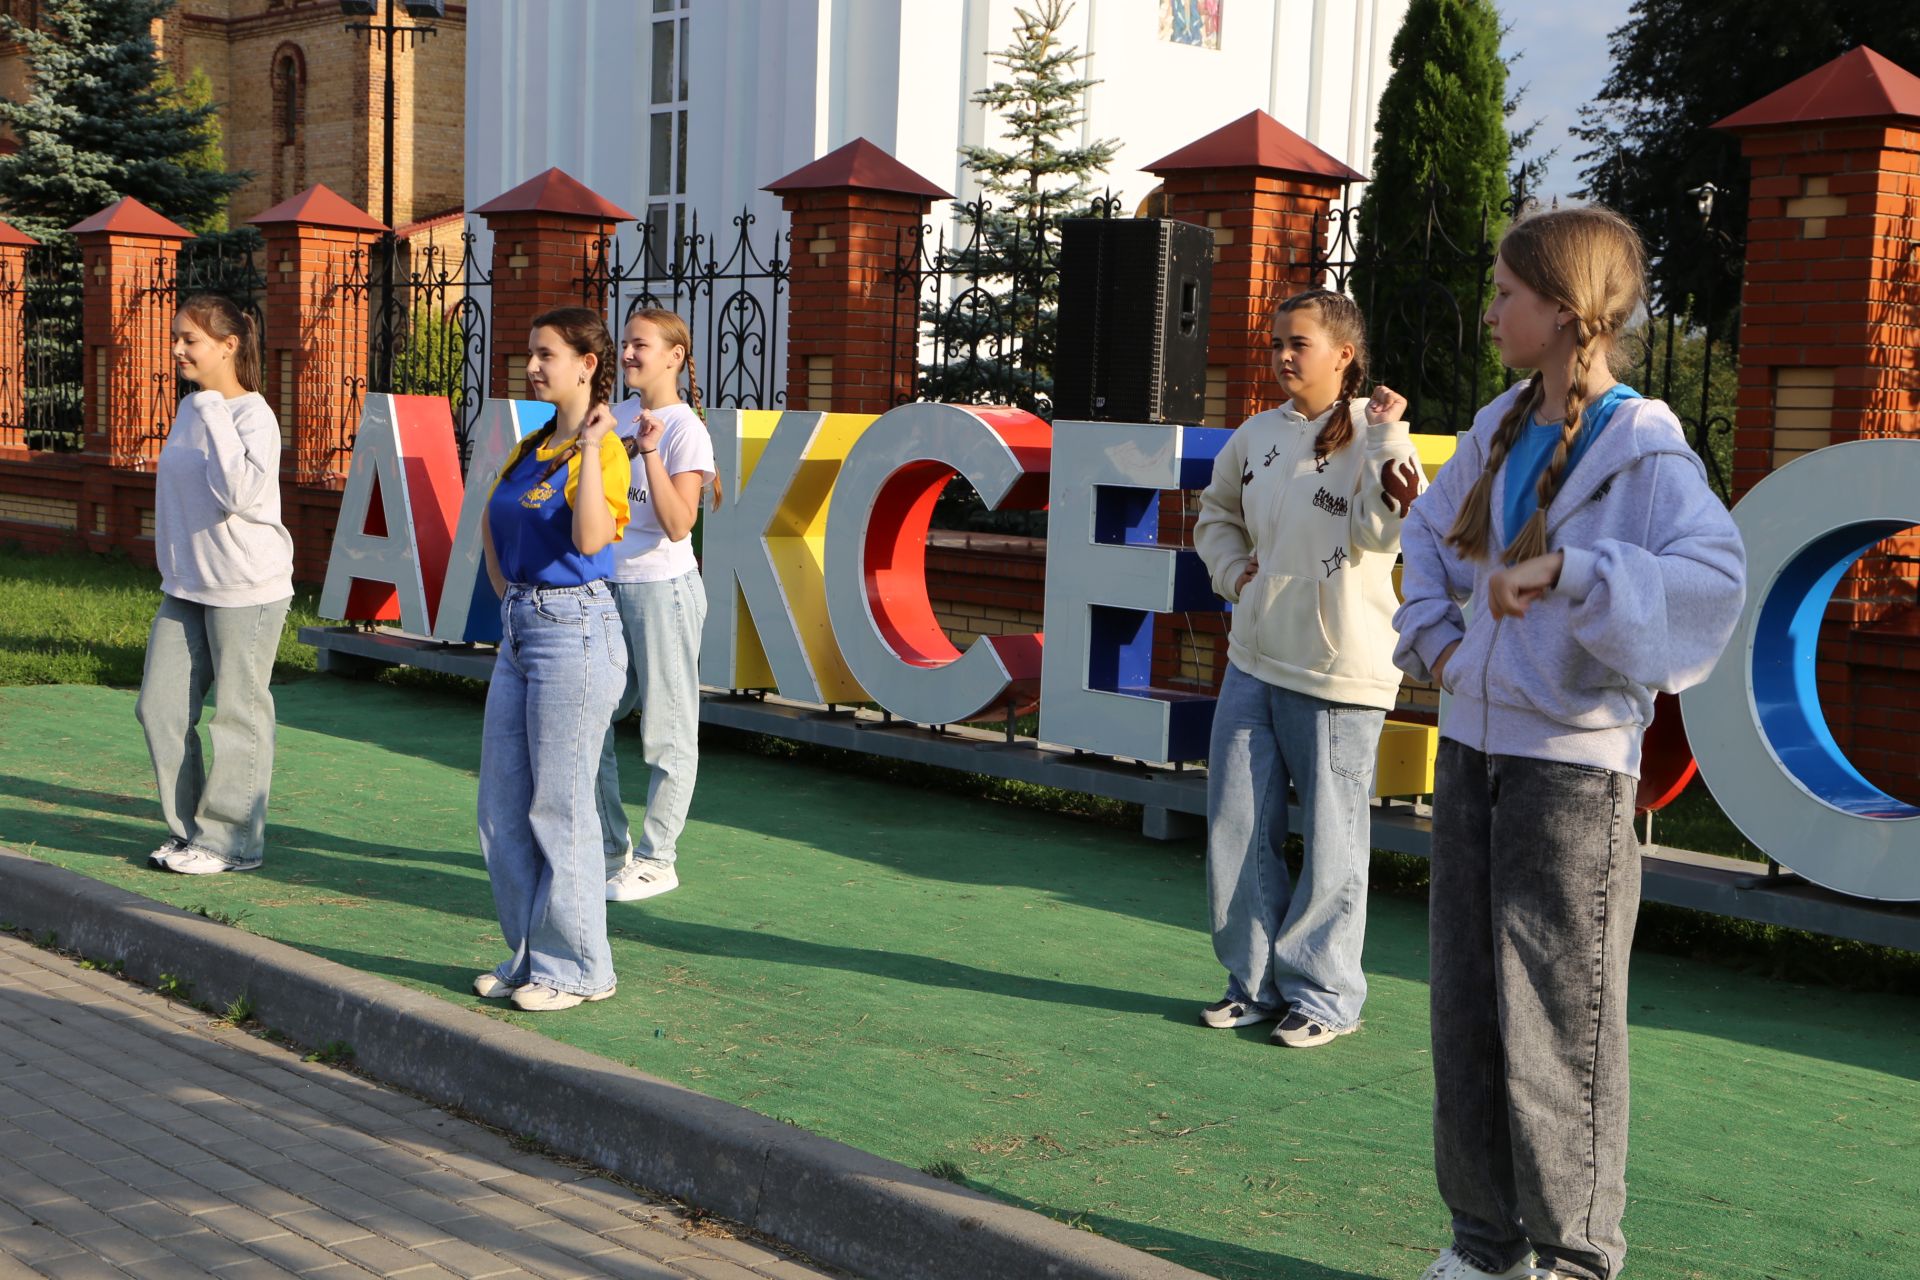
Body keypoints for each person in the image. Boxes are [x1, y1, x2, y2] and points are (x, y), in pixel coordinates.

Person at [1392, 207, 1745, 1280]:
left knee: (1560, 1024)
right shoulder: (1502, 419)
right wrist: (1441, 648)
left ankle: (1577, 1258)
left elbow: (1714, 579)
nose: (1491, 309)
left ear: (1563, 307)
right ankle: (1485, 1247)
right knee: (1468, 1011)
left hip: (1575, 779)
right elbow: (1423, 535)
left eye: (1506, 292)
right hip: (1473, 757)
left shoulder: (1643, 446)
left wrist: (1577, 572)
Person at [1193, 288, 1426, 1049]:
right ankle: (1253, 985)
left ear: (1344, 354)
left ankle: (1325, 997)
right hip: (1251, 662)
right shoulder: (1256, 435)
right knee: (1237, 826)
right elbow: (1216, 515)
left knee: (1333, 839)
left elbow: (1387, 528)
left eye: (1299, 343)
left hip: (1336, 676)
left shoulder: (1373, 433)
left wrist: (1391, 436)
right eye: (1276, 344)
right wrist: (1234, 577)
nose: (1283, 356)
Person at [473, 307, 632, 1013]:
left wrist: (596, 449)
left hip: (578, 631)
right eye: (531, 352)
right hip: (524, 628)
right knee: (503, 804)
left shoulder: (610, 450)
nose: (532, 366)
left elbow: (594, 539)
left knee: (560, 805)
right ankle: (530, 957)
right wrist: (513, 601)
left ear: (586, 366)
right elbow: (492, 517)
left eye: (546, 354)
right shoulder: (533, 442)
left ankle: (580, 969)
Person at [138, 295, 293, 876]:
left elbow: (236, 495)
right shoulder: (191, 407)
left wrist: (212, 410)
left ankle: (232, 844)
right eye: (176, 337)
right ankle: (189, 834)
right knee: (159, 707)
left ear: (228, 346)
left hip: (247, 588)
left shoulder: (253, 416)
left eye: (190, 340)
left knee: (238, 713)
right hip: (187, 586)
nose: (177, 348)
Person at [591, 309, 717, 903]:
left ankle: (657, 859)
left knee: (667, 732)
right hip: (609, 587)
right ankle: (610, 851)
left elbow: (676, 523)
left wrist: (647, 454)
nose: (629, 354)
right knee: (587, 720)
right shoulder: (613, 416)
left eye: (642, 345)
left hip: (663, 591)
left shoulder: (684, 428)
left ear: (674, 355)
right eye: (627, 344)